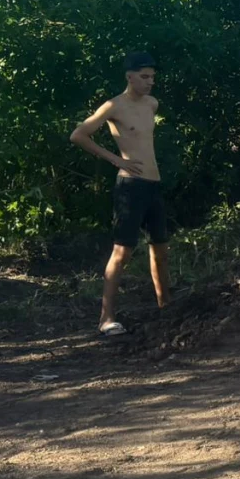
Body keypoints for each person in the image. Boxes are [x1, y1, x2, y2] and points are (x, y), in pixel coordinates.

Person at [70, 51, 171, 336]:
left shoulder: (152, 104)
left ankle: (166, 308)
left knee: (161, 250)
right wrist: (116, 160)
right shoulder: (113, 106)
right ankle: (106, 318)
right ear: (129, 77)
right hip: (130, 186)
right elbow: (78, 134)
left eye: (152, 77)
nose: (150, 82)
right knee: (122, 252)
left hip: (153, 185)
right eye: (144, 77)